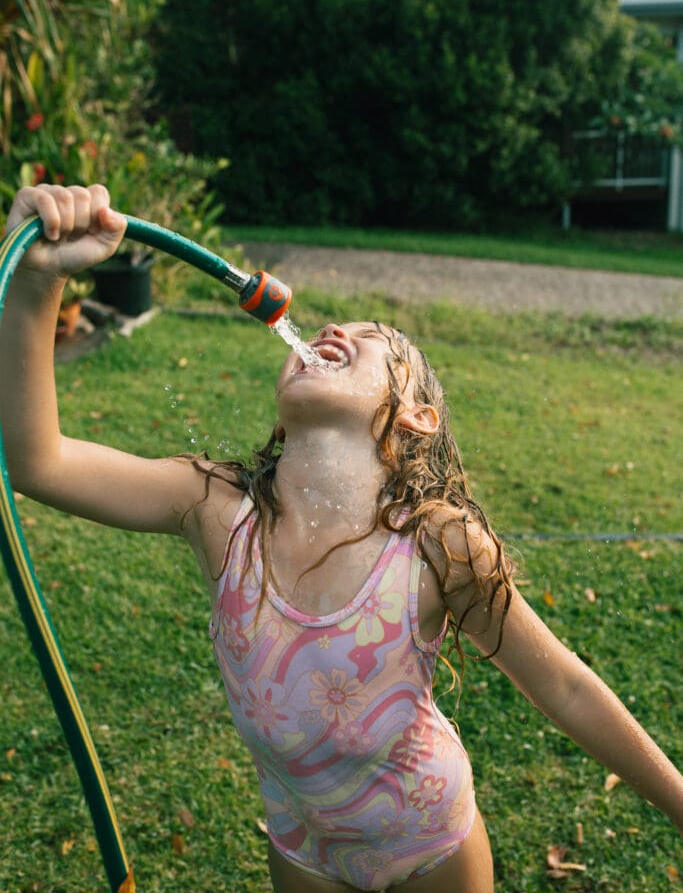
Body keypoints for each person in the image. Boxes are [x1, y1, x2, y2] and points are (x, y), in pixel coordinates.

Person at [1, 183, 681, 893]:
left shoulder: (435, 543)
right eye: (332, 330)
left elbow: (566, 687)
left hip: (430, 841)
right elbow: (36, 462)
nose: (335, 334)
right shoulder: (213, 506)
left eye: (372, 343)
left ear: (413, 418)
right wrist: (38, 283)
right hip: (304, 850)